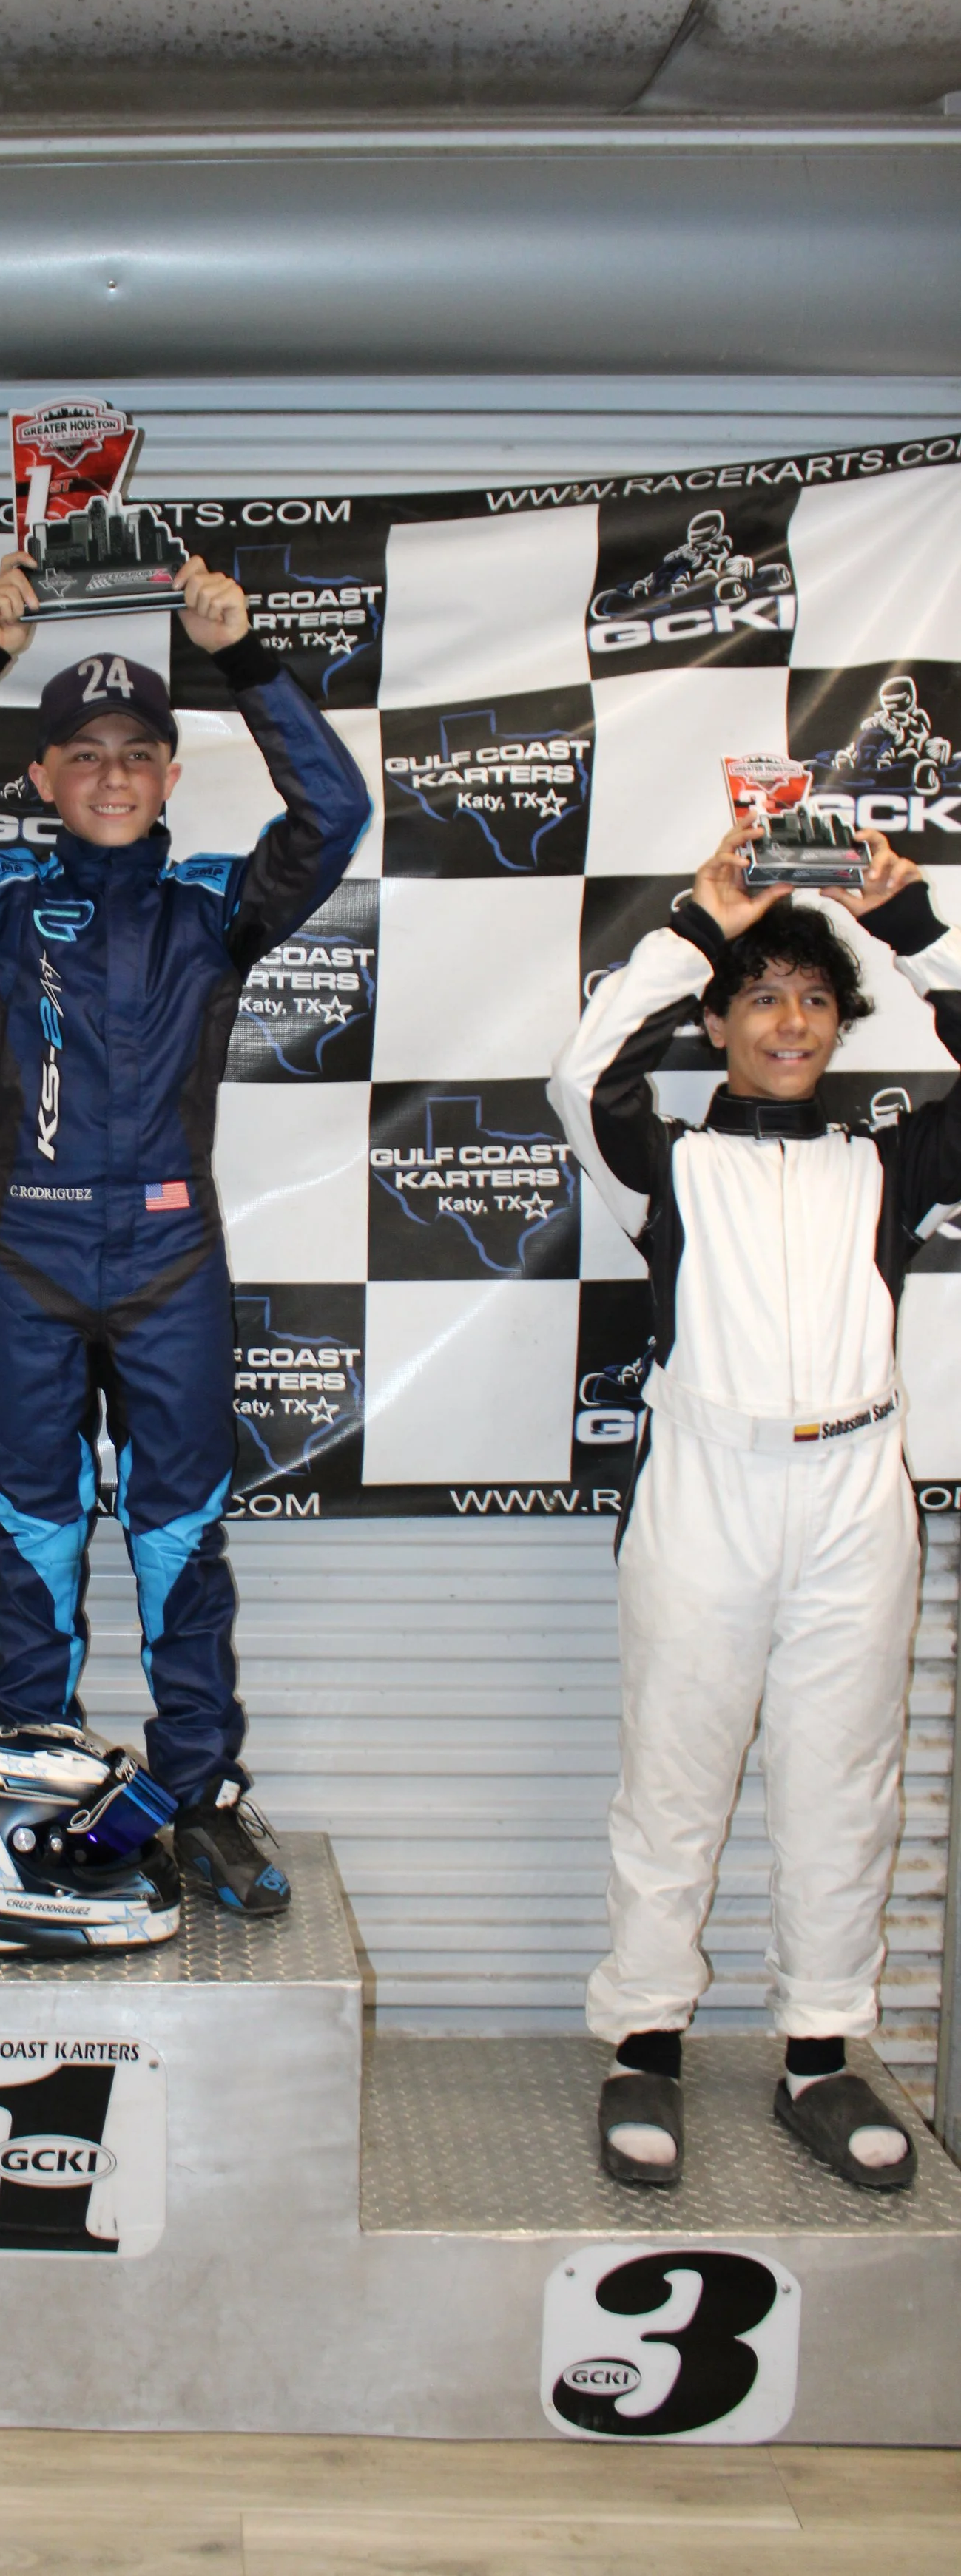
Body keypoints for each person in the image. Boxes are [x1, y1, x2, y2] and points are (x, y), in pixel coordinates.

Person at [0, 555, 371, 1913]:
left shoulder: (216, 911)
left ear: (173, 775)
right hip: (28, 1258)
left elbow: (336, 807)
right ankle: (32, 1775)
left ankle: (199, 1797)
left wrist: (245, 661)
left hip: (175, 1264)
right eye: (87, 754)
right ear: (47, 776)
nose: (116, 774)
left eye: (142, 752)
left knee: (183, 1537)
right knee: (37, 1534)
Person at [549, 822, 961, 2189]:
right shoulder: (670, 1165)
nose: (790, 1020)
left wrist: (908, 932)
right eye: (763, 996)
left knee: (846, 1783)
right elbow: (579, 1074)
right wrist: (700, 920)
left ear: (843, 1026)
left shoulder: (884, 1167)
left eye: (815, 999)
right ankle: (644, 2048)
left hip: (856, 1494)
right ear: (718, 1019)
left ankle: (820, 2058)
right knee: (675, 1777)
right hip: (707, 1485)